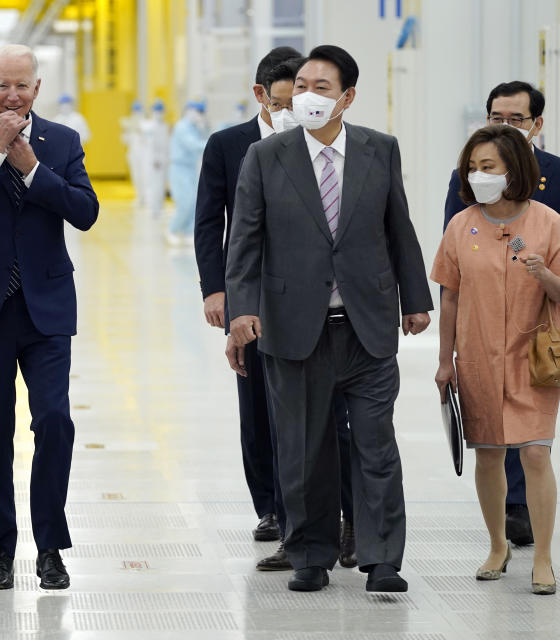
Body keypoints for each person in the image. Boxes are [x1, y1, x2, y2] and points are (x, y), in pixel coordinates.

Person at [225, 45, 433, 593]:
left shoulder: (378, 150)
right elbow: (244, 239)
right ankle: (311, 555)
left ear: (347, 97)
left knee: (376, 446)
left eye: (321, 86)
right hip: (293, 328)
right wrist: (241, 311)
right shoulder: (267, 157)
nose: (306, 95)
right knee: (304, 448)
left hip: (366, 326)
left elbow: (399, 228)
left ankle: (381, 557)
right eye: (301, 84)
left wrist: (416, 299)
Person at [0, 44, 99, 591]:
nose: (12, 95)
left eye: (22, 85)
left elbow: (85, 212)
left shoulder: (63, 141)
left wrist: (31, 168)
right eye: (2, 85)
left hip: (45, 308)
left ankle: (50, 547)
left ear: (37, 87)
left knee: (54, 422)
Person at [195, 49, 358, 573]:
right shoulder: (229, 145)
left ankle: (333, 520)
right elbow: (210, 223)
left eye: (305, 99)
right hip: (254, 296)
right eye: (286, 101)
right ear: (261, 95)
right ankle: (273, 508)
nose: (296, 110)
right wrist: (217, 290)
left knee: (326, 414)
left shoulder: (329, 142)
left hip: (314, 300)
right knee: (261, 411)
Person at [433, 125, 557, 596]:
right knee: (487, 455)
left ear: (514, 169)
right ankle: (497, 545)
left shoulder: (548, 222)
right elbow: (449, 297)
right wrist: (445, 362)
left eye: (489, 167)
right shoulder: (461, 225)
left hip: (534, 358)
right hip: (478, 356)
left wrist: (543, 272)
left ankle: (543, 557)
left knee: (535, 453)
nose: (478, 175)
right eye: (473, 167)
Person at [166, 100, 209, 245]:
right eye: (198, 112)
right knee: (185, 202)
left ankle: (187, 232)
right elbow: (193, 145)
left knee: (193, 202)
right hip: (179, 169)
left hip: (190, 169)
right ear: (189, 111)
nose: (200, 115)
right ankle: (172, 230)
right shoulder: (182, 127)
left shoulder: (194, 127)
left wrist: (203, 129)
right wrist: (214, 144)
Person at [141, 99, 169, 218]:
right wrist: (155, 159)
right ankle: (153, 208)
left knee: (161, 185)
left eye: (161, 111)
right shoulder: (149, 126)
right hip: (153, 161)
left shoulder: (164, 126)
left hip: (163, 160)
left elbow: (166, 143)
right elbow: (150, 144)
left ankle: (159, 207)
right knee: (153, 185)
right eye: (157, 111)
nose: (159, 113)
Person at [122, 100, 147, 206]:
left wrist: (140, 131)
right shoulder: (130, 123)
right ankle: (139, 197)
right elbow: (124, 140)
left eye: (138, 111)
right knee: (136, 176)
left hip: (145, 155)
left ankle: (146, 198)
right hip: (133, 154)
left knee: (145, 176)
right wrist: (126, 131)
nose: (136, 113)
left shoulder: (147, 123)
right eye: (135, 111)